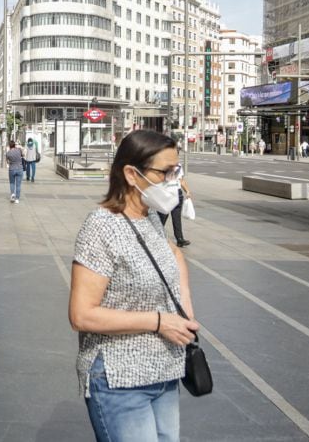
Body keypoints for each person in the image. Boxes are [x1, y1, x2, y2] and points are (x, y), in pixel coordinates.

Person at [68, 129, 200, 441]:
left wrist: (184, 299)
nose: (173, 180)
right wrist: (158, 322)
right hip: (119, 379)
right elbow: (81, 316)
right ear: (131, 173)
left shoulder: (150, 216)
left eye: (176, 170)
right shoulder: (101, 227)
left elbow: (172, 253)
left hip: (165, 373)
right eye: (165, 172)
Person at [158, 173, 192, 248]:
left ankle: (180, 239)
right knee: (162, 217)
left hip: (178, 194)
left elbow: (181, 180)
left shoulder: (178, 166)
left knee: (177, 218)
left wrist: (187, 191)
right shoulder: (163, 164)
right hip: (166, 194)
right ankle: (156, 236)